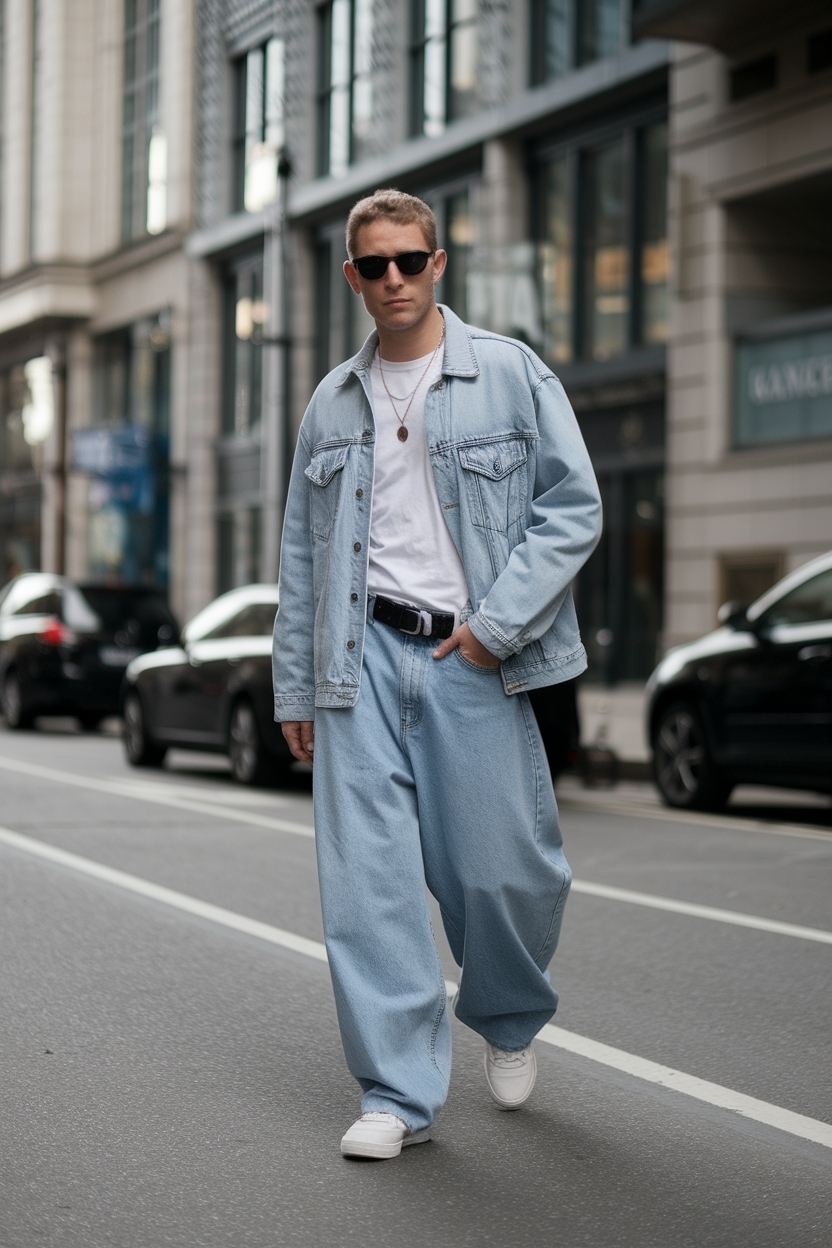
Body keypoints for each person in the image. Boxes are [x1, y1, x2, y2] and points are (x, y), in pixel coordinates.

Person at [273, 188, 601, 1161]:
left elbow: (571, 508)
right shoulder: (332, 401)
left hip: (472, 656)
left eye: (408, 261)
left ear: (437, 263)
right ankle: (395, 1093)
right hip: (356, 660)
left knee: (505, 874)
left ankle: (508, 1014)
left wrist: (498, 629)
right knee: (366, 887)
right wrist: (296, 685)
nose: (392, 281)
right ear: (351, 277)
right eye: (372, 266)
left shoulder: (507, 374)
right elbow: (301, 551)